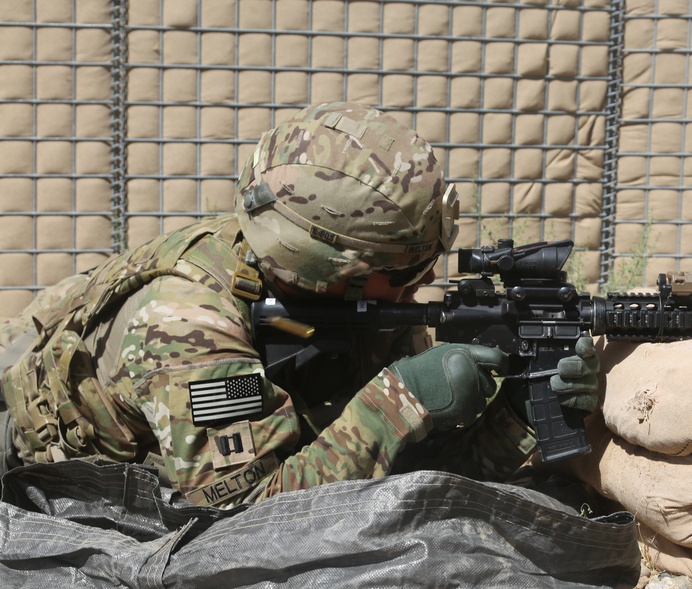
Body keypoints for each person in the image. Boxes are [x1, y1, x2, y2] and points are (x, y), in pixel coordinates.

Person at [0, 101, 599, 508]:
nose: (427, 281)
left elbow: (403, 479)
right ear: (334, 273)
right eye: (408, 271)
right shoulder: (188, 325)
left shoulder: (349, 306)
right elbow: (241, 521)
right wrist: (399, 401)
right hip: (41, 473)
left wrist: (517, 415)